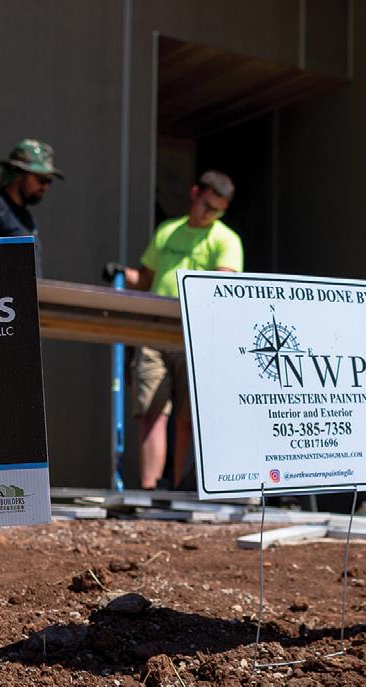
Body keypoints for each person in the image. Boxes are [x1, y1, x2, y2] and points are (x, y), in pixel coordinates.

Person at [125, 170, 243, 490]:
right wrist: (122, 275)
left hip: (197, 335)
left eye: (217, 211)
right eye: (206, 205)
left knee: (188, 419)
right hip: (154, 331)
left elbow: (222, 286)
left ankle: (181, 489)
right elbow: (145, 279)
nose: (208, 214)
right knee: (152, 412)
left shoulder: (226, 240)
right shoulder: (168, 231)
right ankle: (149, 489)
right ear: (194, 194)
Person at [0, 139, 64, 276]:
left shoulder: (24, 216)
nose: (45, 187)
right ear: (19, 173)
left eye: (49, 181)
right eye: (41, 180)